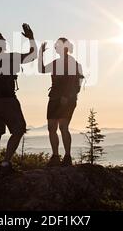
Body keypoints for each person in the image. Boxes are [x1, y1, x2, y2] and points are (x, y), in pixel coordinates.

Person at [0, 23, 37, 174]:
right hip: (8, 100)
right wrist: (31, 38)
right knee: (19, 130)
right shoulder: (9, 58)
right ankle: (5, 164)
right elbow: (32, 55)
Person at [39, 37, 84, 166]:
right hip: (54, 97)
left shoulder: (71, 62)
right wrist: (41, 54)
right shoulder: (56, 63)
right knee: (52, 127)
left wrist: (66, 96)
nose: (57, 48)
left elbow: (73, 82)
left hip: (66, 99)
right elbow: (42, 70)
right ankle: (55, 156)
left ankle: (67, 156)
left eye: (59, 45)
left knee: (63, 126)